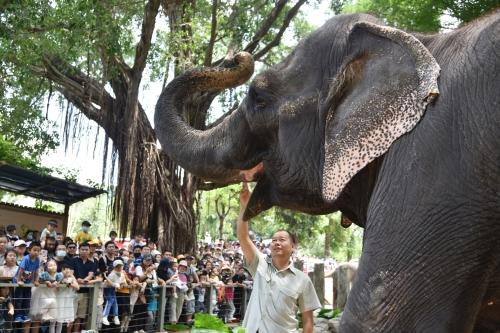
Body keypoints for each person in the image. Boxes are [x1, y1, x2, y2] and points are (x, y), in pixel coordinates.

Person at [237, 184, 320, 333]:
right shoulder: (260, 265)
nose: (276, 242)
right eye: (274, 240)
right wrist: (244, 207)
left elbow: (308, 321)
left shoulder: (303, 280)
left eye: (282, 239)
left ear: (293, 246)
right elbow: (243, 237)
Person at [13, 241, 41, 331]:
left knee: (27, 299)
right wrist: (18, 280)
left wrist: (36, 280)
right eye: (34, 250)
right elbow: (21, 270)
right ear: (29, 250)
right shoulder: (26, 258)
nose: (36, 252)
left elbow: (36, 271)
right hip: (20, 280)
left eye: (38, 251)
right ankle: (18, 316)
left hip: (28, 282)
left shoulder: (37, 260)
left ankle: (25, 315)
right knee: (19, 299)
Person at [56, 263, 79, 333]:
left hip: (68, 301)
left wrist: (69, 284)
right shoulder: (58, 276)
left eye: (68, 269)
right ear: (62, 270)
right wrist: (61, 281)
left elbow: (78, 287)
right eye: (65, 269)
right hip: (60, 299)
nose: (67, 270)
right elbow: (56, 287)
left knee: (67, 319)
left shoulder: (71, 278)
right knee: (57, 320)